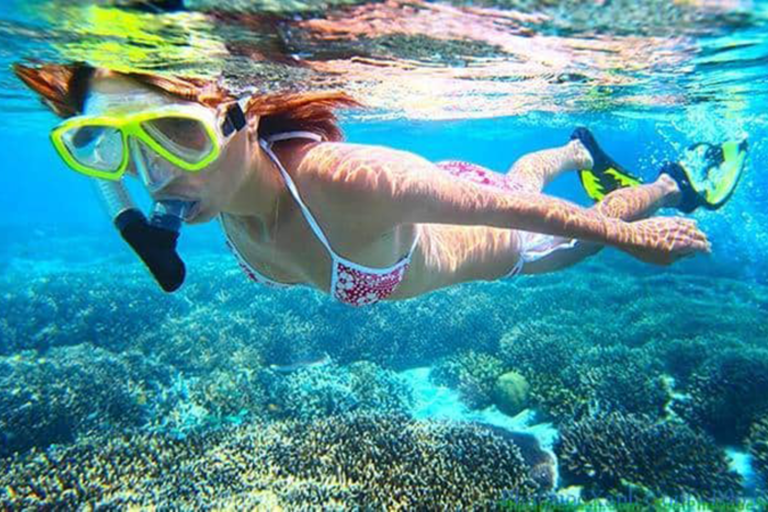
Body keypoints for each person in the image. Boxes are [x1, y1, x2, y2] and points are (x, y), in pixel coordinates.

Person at [14, 63, 748, 307]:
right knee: (516, 172)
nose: (156, 176)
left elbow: (504, 207)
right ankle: (574, 144)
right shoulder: (207, 192)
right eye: (120, 146)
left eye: (180, 133)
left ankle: (668, 183)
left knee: (560, 223)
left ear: (239, 120)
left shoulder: (335, 181)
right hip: (446, 202)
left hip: (498, 237)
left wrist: (630, 236)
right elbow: (117, 174)